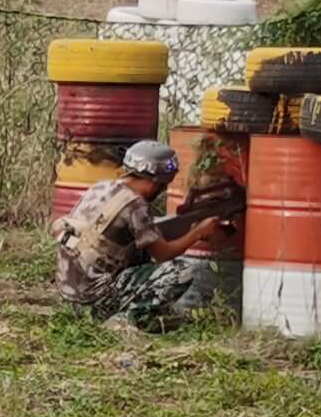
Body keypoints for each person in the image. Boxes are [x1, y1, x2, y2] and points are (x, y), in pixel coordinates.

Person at [52, 139, 226, 333]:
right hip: (94, 299)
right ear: (155, 183)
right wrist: (198, 233)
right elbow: (164, 254)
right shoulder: (135, 205)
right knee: (180, 271)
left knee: (140, 255)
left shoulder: (101, 188)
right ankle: (125, 319)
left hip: (69, 297)